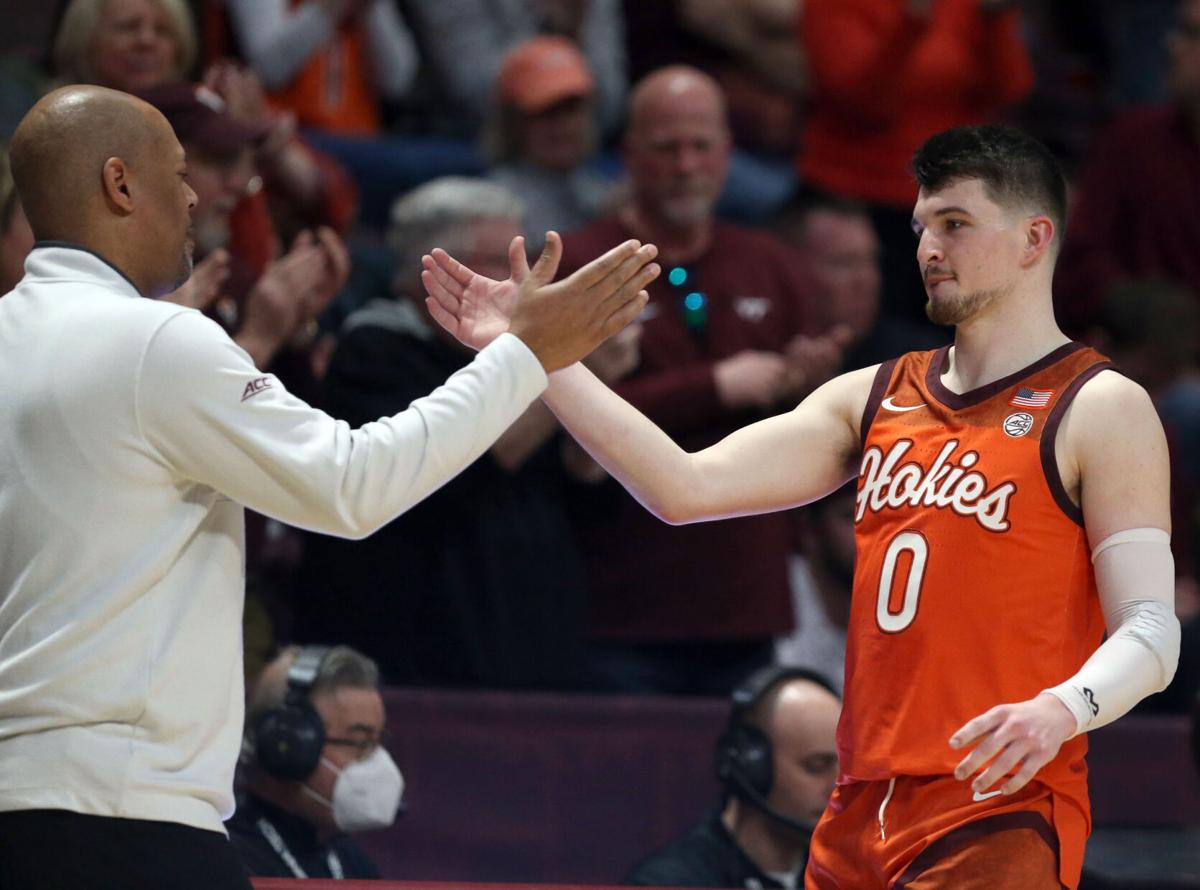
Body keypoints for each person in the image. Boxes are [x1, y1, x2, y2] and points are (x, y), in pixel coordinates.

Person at [422, 123, 1181, 889]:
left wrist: (1062, 708)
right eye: (921, 227)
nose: (927, 249)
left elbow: (1152, 634)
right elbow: (684, 488)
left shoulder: (1099, 406)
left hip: (998, 802)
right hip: (856, 808)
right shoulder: (873, 395)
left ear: (1033, 239)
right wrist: (535, 355)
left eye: (955, 225)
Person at [0, 83, 656, 890]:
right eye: (177, 171)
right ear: (119, 184)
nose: (197, 193)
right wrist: (525, 355)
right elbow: (351, 487)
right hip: (121, 820)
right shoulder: (153, 339)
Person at [554, 65, 842, 695]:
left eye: (701, 146)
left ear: (727, 154)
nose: (687, 165)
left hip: (747, 600)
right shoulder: (583, 265)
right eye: (667, 147)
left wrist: (804, 390)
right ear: (629, 155)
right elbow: (570, 436)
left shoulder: (770, 264)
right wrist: (717, 387)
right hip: (626, 604)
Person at [1055, 0, 1200, 335]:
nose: (1171, 44)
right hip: (1136, 356)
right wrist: (1129, 302)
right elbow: (1080, 261)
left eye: (1192, 34)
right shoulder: (1134, 139)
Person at [626, 666, 841, 889]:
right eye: (817, 766)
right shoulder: (671, 883)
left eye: (846, 770)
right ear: (751, 767)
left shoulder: (849, 875)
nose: (837, 789)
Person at [228, 645, 394, 879]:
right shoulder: (227, 863)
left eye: (378, 741)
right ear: (286, 747)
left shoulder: (353, 864)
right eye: (360, 741)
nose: (376, 760)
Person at [485, 36, 614, 253]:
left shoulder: (605, 195)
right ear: (513, 122)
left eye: (572, 108)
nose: (562, 125)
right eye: (546, 112)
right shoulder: (494, 208)